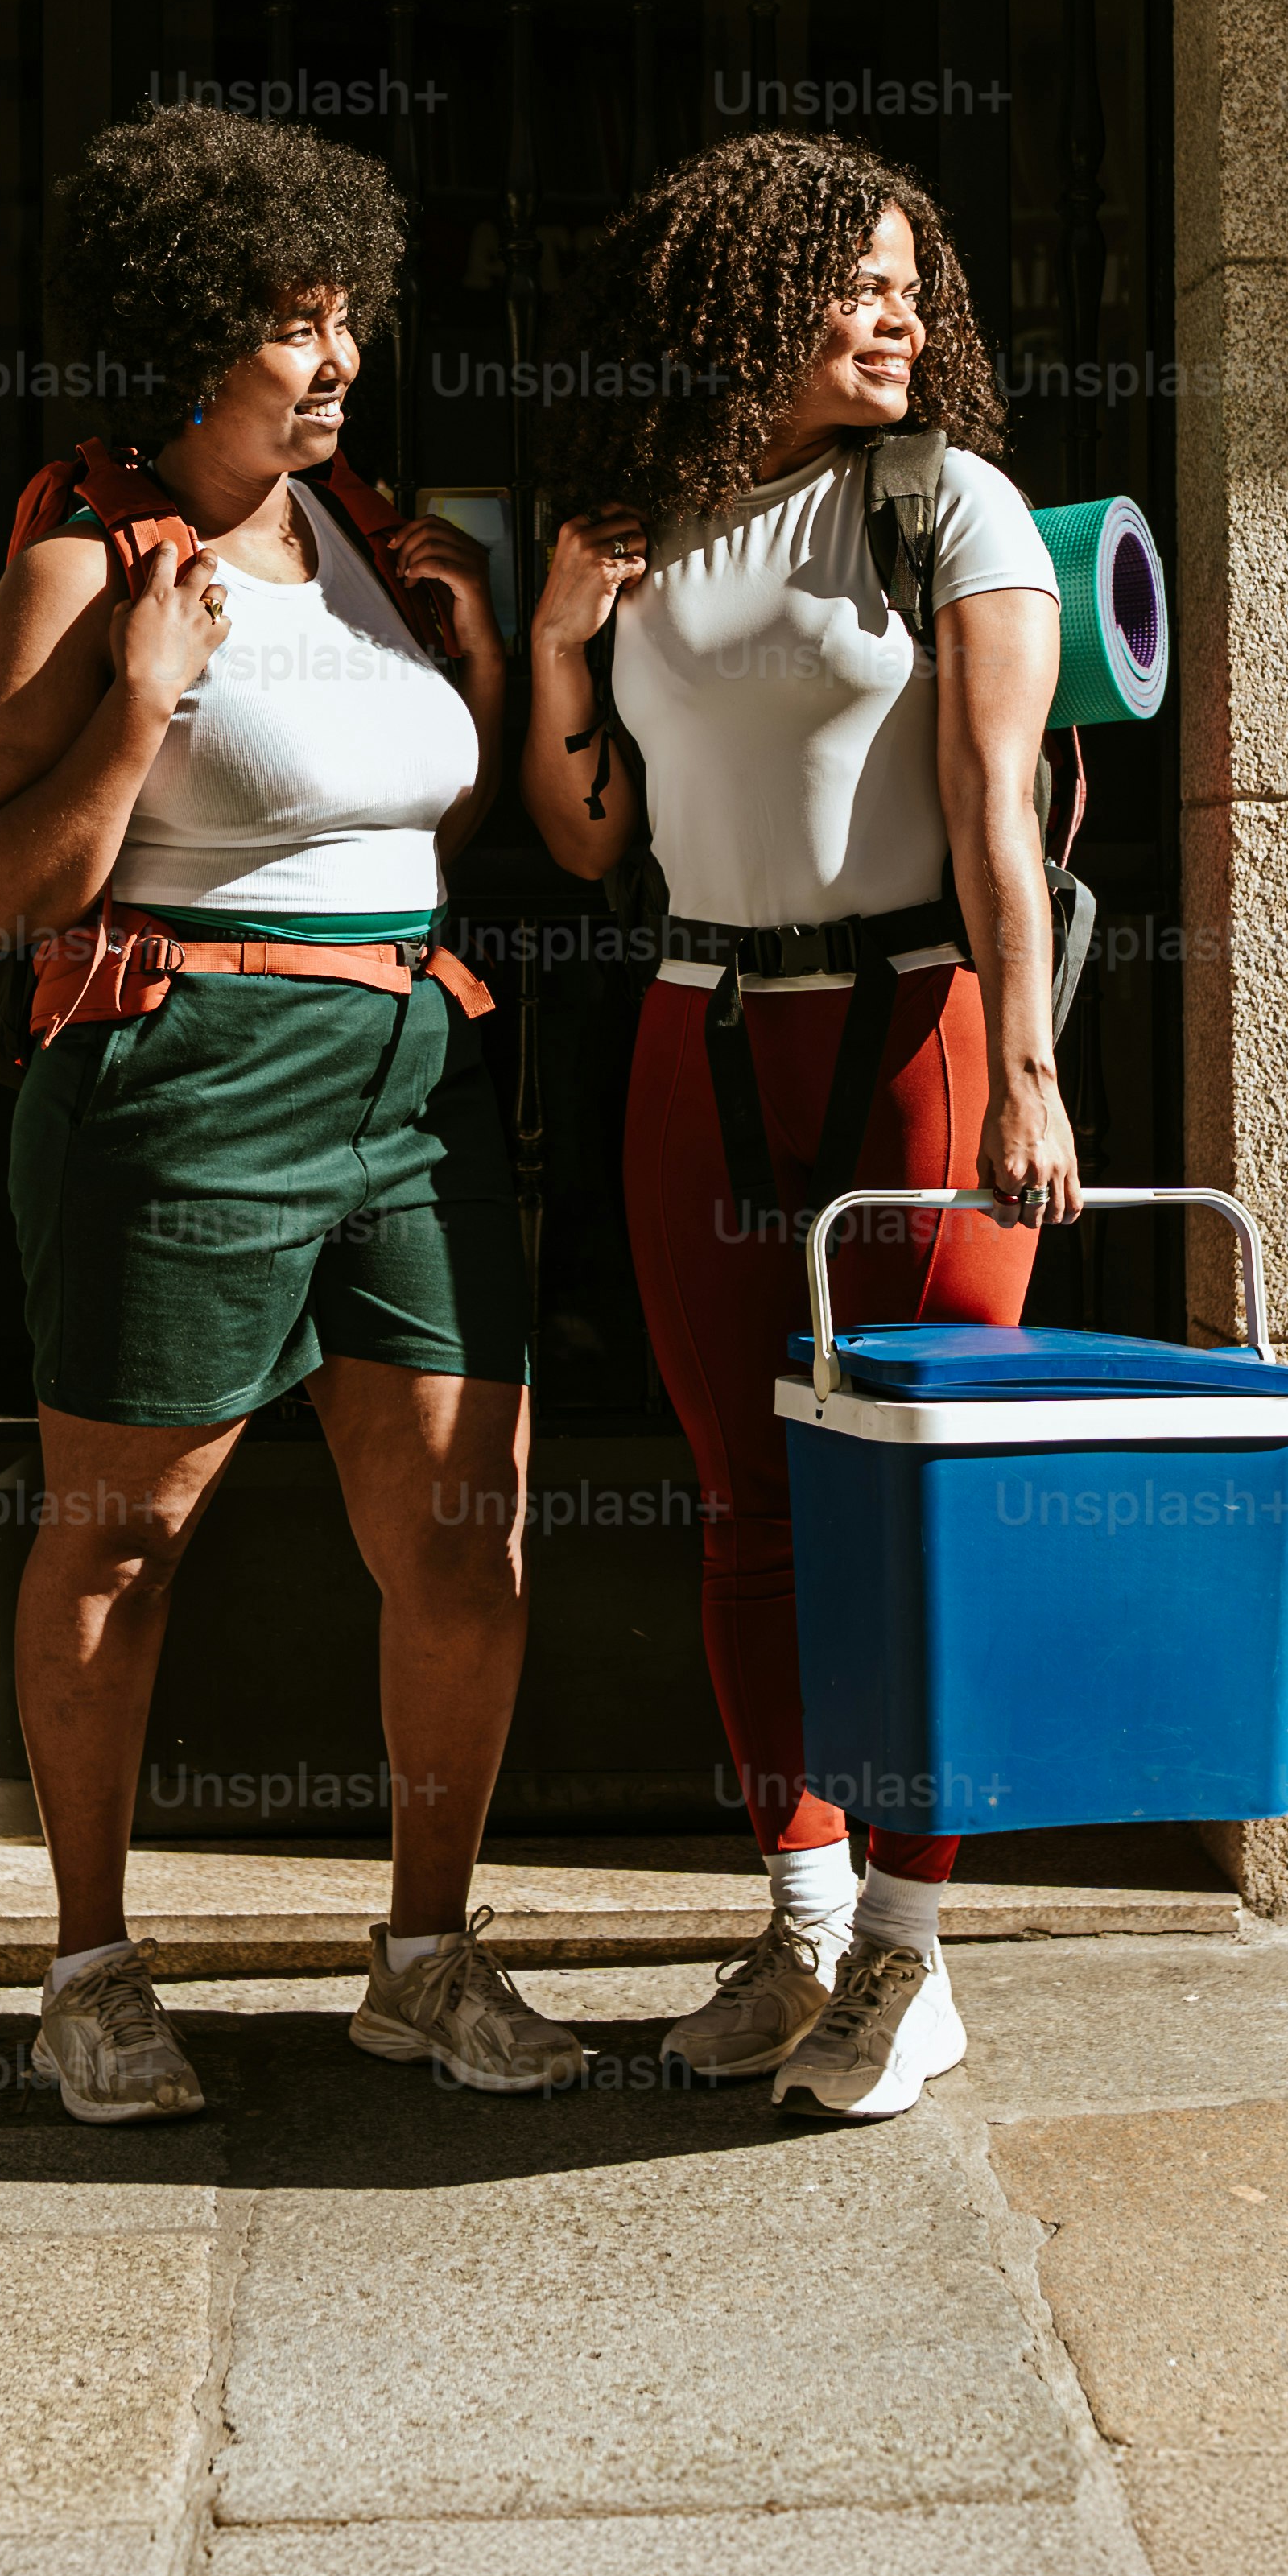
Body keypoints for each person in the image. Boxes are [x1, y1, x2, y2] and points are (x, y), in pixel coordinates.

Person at [0, 101, 580, 2125]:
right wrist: (135, 698)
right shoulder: (82, 563)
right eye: (297, 324)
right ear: (189, 336)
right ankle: (90, 1969)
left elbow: (402, 815)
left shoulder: (377, 544)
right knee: (125, 1542)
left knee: (468, 1544)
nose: (339, 356)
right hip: (186, 1077)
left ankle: (424, 1954)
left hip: (416, 1071)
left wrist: (470, 657)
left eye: (346, 317)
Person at [522, 130, 1080, 2121]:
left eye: (913, 283)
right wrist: (563, 641)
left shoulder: (957, 512)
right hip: (696, 1036)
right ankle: (805, 1925)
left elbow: (1000, 812)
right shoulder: (650, 526)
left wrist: (1027, 1064)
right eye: (858, 283)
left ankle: (916, 1961)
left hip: (915, 1035)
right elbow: (589, 831)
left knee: (914, 1507)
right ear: (752, 300)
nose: (900, 314)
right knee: (744, 1506)